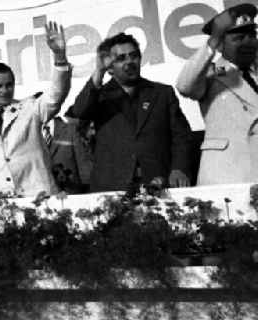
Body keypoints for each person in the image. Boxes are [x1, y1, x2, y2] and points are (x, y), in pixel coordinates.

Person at [73, 33, 193, 192]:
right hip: (111, 188)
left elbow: (182, 136)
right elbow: (80, 111)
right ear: (110, 68)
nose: (129, 61)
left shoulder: (162, 93)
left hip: (158, 185)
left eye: (133, 56)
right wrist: (99, 71)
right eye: (121, 58)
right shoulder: (99, 96)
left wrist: (179, 168)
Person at [0, 21, 71, 197]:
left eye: (8, 85)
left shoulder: (30, 108)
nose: (4, 91)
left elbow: (56, 95)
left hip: (39, 197)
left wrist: (59, 57)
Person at [176, 3, 258, 185]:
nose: (248, 42)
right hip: (225, 175)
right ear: (220, 45)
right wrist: (212, 40)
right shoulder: (209, 74)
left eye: (252, 36)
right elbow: (184, 86)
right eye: (239, 38)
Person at [43, 107, 94, 193]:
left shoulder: (71, 130)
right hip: (40, 197)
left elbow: (84, 166)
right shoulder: (26, 135)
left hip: (71, 195)